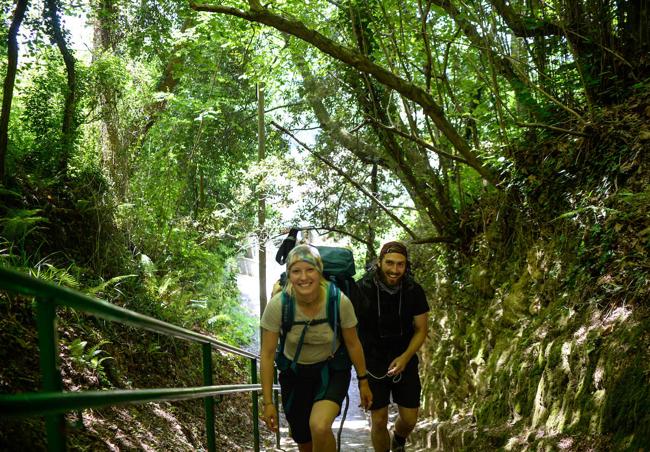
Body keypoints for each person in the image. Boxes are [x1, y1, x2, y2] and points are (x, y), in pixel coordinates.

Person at [260, 244, 373, 452]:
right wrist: (268, 403)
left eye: (310, 269)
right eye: (296, 271)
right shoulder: (279, 305)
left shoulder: (338, 301)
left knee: (319, 426)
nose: (303, 277)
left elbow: (353, 343)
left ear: (319, 272)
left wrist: (363, 381)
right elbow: (267, 355)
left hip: (331, 371)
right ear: (289, 275)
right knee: (304, 440)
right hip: (295, 374)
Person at [357, 241, 429, 452]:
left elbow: (421, 329)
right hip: (372, 361)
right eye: (389, 263)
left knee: (409, 420)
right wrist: (360, 375)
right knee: (378, 420)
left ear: (406, 266)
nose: (394, 270)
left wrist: (406, 357)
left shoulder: (413, 290)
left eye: (400, 264)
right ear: (379, 263)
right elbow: (351, 331)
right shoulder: (363, 289)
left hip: (404, 359)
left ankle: (398, 439)